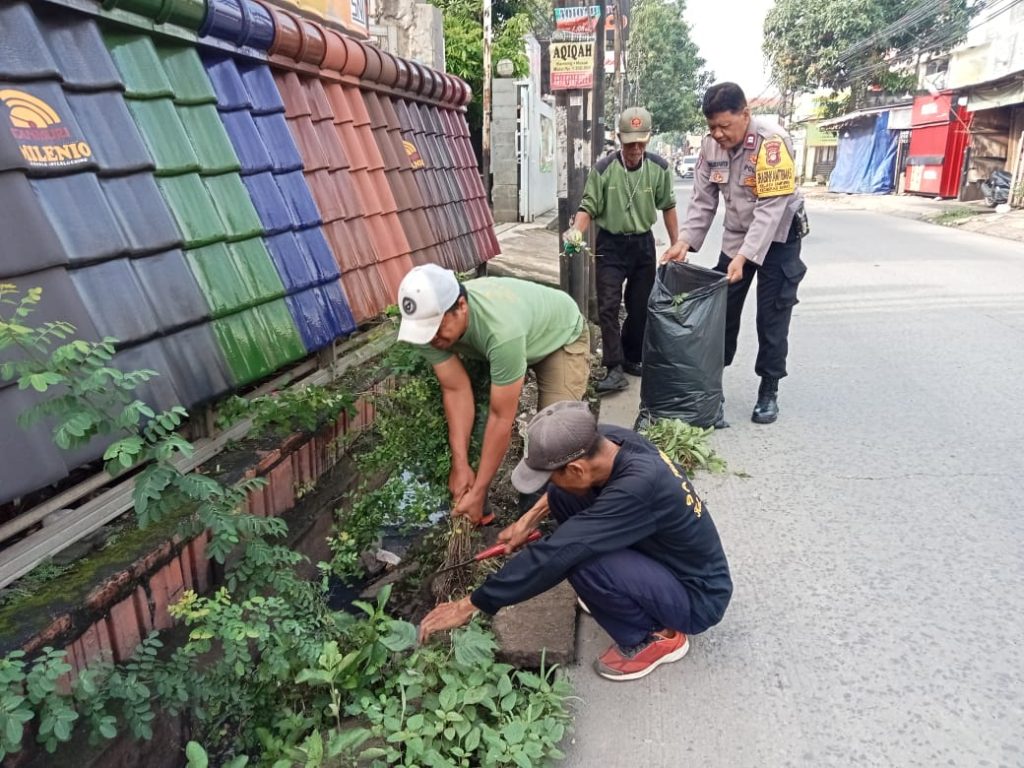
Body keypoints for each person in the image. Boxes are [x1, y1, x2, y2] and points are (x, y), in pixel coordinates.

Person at [418, 401, 732, 682]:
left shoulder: (638, 487)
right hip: (662, 556)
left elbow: (555, 554)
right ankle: (618, 592)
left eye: (549, 476)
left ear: (576, 468)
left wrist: (469, 604)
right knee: (563, 496)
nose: (544, 485)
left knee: (579, 560)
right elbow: (563, 495)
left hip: (696, 597)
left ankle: (655, 637)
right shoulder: (606, 442)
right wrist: (527, 520)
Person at [396, 264, 590, 525]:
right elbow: (455, 389)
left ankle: (539, 517)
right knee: (477, 429)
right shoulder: (423, 324)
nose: (431, 339)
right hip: (518, 335)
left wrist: (478, 490)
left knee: (553, 438)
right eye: (424, 331)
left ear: (461, 306)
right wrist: (460, 465)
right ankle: (477, 503)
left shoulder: (501, 331)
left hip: (560, 334)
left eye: (436, 328)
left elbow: (501, 418)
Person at [664, 82, 808, 425]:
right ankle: (711, 388)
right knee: (719, 311)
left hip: (779, 237)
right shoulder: (710, 147)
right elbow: (703, 200)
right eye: (712, 126)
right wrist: (685, 241)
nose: (718, 133)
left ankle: (769, 389)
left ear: (745, 114)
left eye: (724, 126)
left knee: (772, 316)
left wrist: (745, 258)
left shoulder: (772, 144)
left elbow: (770, 211)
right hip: (737, 235)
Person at [565, 107, 678, 394]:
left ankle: (630, 356)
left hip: (643, 245)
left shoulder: (659, 168)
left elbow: (668, 206)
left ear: (648, 139)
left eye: (640, 143)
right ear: (619, 138)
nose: (635, 149)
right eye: (629, 143)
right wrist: (576, 232)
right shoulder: (604, 170)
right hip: (610, 245)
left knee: (640, 308)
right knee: (608, 307)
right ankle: (614, 367)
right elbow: (588, 206)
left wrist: (677, 243)